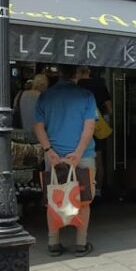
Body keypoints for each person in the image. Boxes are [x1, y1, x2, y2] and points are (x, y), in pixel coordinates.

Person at [34, 64, 98, 256]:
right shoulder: (86, 96)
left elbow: (38, 126)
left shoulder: (45, 96)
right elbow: (89, 128)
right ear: (77, 74)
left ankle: (53, 243)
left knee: (54, 197)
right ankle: (81, 242)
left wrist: (48, 150)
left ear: (59, 74)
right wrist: (78, 153)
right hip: (83, 156)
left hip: (54, 157)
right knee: (84, 199)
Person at [76, 66, 112, 196]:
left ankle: (79, 190)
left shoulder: (75, 86)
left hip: (78, 126)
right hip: (97, 126)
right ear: (89, 71)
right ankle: (97, 189)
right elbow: (109, 108)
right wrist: (104, 117)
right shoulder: (99, 85)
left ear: (77, 72)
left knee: (79, 156)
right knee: (98, 157)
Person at [13, 74, 49, 139]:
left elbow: (14, 113)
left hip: (21, 137)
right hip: (38, 139)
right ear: (43, 85)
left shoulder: (19, 95)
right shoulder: (45, 98)